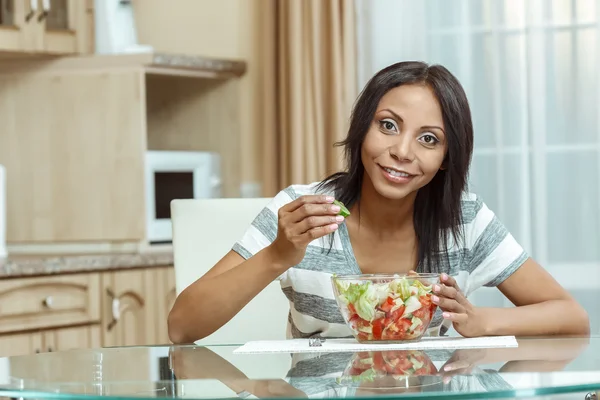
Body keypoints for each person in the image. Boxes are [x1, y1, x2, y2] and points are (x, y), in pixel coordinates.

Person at [167, 61, 590, 344]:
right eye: (388, 125)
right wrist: (279, 254)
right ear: (361, 129)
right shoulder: (300, 210)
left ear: (447, 159)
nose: (402, 151)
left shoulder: (465, 221)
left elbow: (571, 316)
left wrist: (483, 322)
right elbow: (182, 326)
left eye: (429, 139)